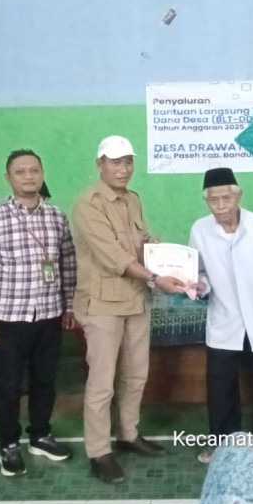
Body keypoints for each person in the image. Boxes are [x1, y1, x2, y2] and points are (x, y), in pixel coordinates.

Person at [71, 136, 184, 484]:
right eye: (115, 162)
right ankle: (98, 452)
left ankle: (129, 434)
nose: (123, 169)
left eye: (128, 162)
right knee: (102, 383)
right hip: (103, 304)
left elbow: (140, 241)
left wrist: (159, 251)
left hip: (136, 299)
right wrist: (156, 277)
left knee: (136, 374)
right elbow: (114, 257)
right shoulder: (88, 203)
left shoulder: (132, 199)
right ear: (100, 164)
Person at [0, 149, 76, 476]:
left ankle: (40, 435)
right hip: (8, 317)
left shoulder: (57, 217)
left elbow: (67, 264)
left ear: (43, 174)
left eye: (34, 170)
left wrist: (69, 305)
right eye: (20, 172)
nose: (28, 176)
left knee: (45, 381)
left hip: (49, 315)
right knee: (8, 386)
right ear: (8, 178)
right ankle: (8, 444)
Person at [189, 168, 253, 463]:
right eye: (214, 200)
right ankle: (224, 446)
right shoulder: (200, 230)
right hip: (224, 323)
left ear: (239, 196)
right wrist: (200, 286)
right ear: (206, 201)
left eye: (226, 198)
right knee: (220, 387)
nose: (221, 205)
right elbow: (200, 273)